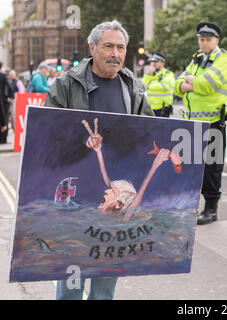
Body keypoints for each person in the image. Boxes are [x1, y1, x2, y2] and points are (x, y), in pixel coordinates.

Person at [45, 20, 154, 300]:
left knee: (107, 276)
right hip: (78, 196)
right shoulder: (66, 84)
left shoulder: (135, 88)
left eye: (120, 47)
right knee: (71, 275)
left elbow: (150, 134)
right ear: (92, 47)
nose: (115, 53)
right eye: (108, 46)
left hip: (113, 198)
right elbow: (46, 132)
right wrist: (83, 144)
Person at [174, 22, 227, 225]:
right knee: (191, 167)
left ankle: (211, 209)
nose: (204, 42)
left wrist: (191, 82)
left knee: (211, 169)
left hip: (213, 122)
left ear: (216, 40)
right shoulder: (196, 58)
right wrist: (189, 83)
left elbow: (207, 85)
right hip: (192, 122)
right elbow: (176, 86)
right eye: (201, 39)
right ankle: (191, 205)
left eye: (208, 39)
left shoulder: (224, 60)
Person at [142, 52, 175, 117]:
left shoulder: (168, 74)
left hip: (163, 109)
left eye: (156, 61)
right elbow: (142, 87)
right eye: (152, 61)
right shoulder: (149, 74)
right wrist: (147, 75)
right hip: (150, 109)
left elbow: (167, 86)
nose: (153, 63)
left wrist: (150, 85)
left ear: (162, 62)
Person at [0, 62, 13, 144]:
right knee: (4, 117)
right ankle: (3, 139)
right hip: (2, 99)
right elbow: (9, 87)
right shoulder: (3, 76)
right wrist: (10, 97)